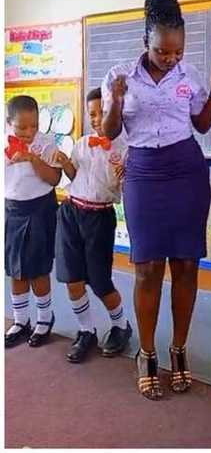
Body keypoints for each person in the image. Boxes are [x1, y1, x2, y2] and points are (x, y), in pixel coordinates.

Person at [100, 0, 211, 400]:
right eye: (162, 52)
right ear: (146, 42)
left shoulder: (189, 76)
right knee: (146, 267)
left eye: (177, 52)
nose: (171, 59)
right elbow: (108, 133)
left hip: (186, 170)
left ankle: (178, 349)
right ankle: (145, 352)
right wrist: (116, 101)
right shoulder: (119, 76)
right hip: (143, 171)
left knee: (187, 264)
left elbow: (203, 125)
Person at [52, 88, 133, 362]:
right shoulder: (82, 143)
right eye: (93, 114)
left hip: (100, 217)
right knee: (72, 278)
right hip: (71, 212)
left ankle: (121, 326)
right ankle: (86, 331)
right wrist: (65, 164)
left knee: (99, 281)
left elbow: (128, 191)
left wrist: (127, 177)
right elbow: (74, 175)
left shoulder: (126, 148)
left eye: (103, 113)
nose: (97, 119)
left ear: (116, 112)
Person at [5, 95, 62, 349]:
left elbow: (54, 179)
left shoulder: (46, 143)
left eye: (34, 126)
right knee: (14, 267)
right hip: (11, 208)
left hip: (40, 207)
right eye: (22, 127)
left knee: (38, 268)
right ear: (9, 122)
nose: (29, 132)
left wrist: (33, 158)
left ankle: (44, 318)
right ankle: (20, 320)